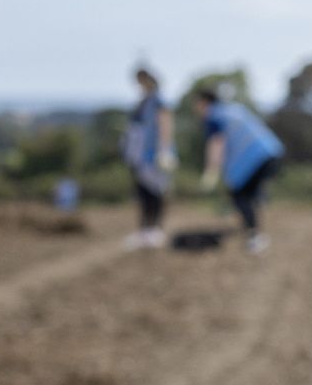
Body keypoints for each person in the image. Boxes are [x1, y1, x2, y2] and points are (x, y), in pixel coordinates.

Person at [194, 85, 284, 253]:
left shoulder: (213, 116)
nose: (196, 108)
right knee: (249, 195)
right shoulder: (233, 109)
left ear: (205, 102)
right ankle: (255, 222)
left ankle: (255, 236)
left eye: (197, 103)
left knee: (239, 196)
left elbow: (217, 143)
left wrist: (211, 171)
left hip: (253, 158)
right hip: (270, 151)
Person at [121, 66, 172, 248]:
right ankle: (144, 230)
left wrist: (164, 149)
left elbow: (165, 122)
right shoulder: (144, 101)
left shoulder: (158, 100)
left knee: (155, 191)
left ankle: (155, 230)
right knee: (143, 192)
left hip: (153, 154)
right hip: (140, 156)